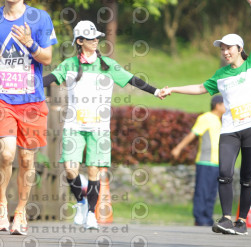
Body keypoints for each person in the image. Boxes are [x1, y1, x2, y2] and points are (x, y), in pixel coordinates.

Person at [160, 0, 251, 235]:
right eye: (222, 49)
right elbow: (200, 88)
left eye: (228, 48)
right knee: (224, 173)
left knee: (247, 177)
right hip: (230, 129)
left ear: (239, 48)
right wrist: (173, 89)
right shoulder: (220, 75)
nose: (224, 52)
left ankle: (241, 222)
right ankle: (226, 218)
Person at [43, 20, 163, 229]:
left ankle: (91, 213)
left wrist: (155, 91)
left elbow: (132, 79)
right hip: (74, 125)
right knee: (70, 169)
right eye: (91, 38)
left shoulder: (108, 65)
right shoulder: (69, 65)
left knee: (93, 171)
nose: (96, 40)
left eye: (97, 37)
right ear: (80, 41)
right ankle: (80, 203)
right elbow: (51, 78)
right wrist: (29, 84)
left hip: (99, 128)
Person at [0, 0, 57, 235]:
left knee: (27, 159)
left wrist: (30, 43)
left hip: (32, 100)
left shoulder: (40, 19)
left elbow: (47, 57)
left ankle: (20, 211)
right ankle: (1, 203)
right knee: (7, 152)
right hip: (2, 98)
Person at [171, 95, 225, 227]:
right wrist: (178, 148)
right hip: (205, 162)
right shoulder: (206, 118)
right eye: (225, 104)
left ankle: (207, 218)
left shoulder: (220, 120)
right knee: (202, 192)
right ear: (217, 105)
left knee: (212, 193)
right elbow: (192, 134)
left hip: (217, 163)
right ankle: (200, 219)